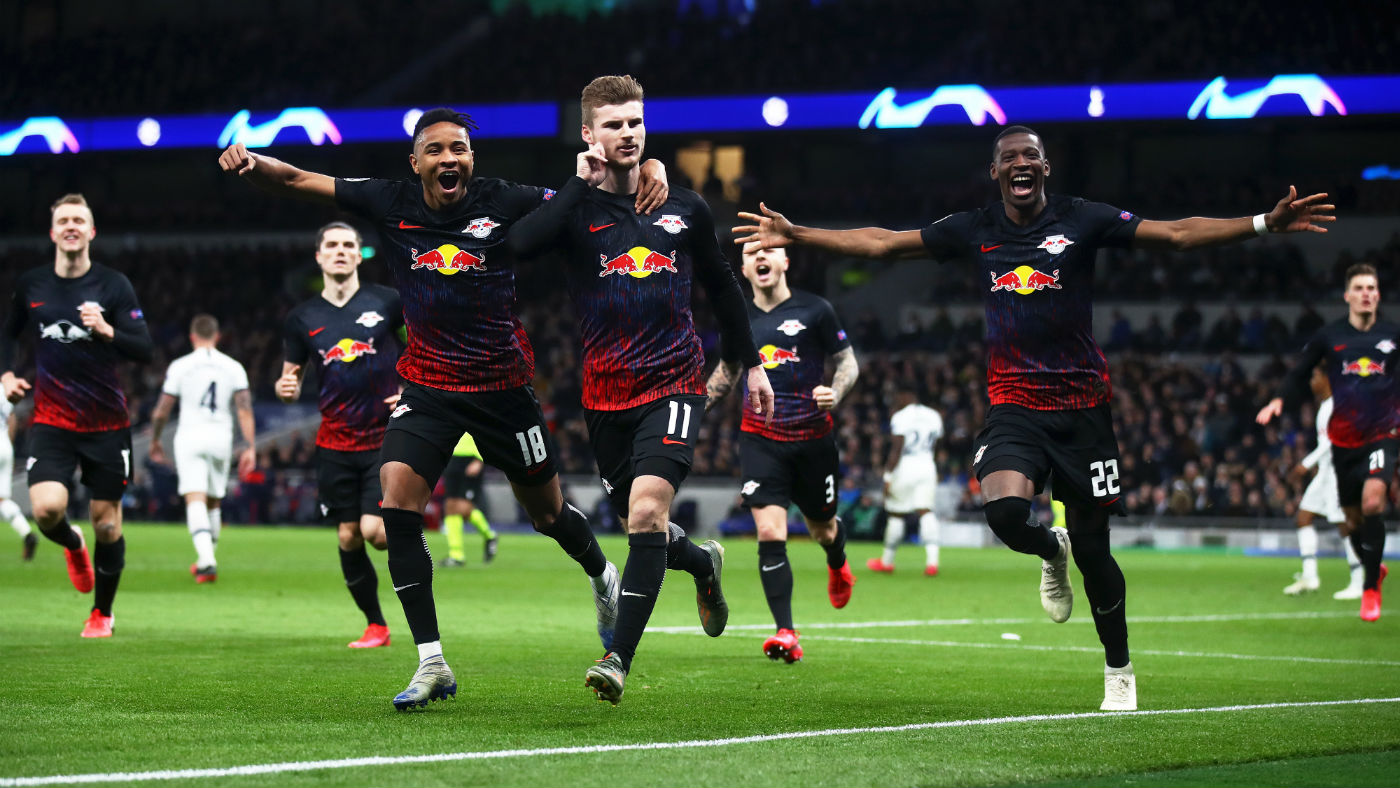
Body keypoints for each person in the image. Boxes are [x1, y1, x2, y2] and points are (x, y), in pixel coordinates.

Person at [734, 125, 1334, 710]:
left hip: (1084, 413)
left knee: (1098, 555)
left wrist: (1263, 222)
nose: (1021, 163)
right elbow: (886, 243)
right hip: (1015, 406)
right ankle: (1051, 550)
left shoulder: (1082, 218)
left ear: (1045, 168)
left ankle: (1118, 667)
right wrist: (800, 234)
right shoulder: (976, 228)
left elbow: (1176, 234)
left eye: (1031, 155)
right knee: (1003, 512)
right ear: (995, 173)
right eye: (1009, 157)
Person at [220, 108, 669, 711]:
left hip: (502, 386)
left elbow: (594, 202)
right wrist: (251, 165)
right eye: (435, 150)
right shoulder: (391, 201)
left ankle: (601, 575)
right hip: (427, 383)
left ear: (472, 159)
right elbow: (301, 179)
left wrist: (650, 166)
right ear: (416, 162)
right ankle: (431, 660)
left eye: (458, 148)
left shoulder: (504, 199)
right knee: (396, 500)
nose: (448, 159)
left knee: (548, 513)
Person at [507, 75, 773, 705]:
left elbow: (723, 287)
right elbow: (519, 244)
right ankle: (703, 564)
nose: (627, 134)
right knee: (644, 526)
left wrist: (751, 363)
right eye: (614, 124)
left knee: (648, 513)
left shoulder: (685, 208)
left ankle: (617, 660)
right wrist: (579, 182)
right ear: (589, 134)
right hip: (603, 398)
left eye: (636, 123)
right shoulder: (575, 211)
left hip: (676, 383)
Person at [1, 193, 153, 638]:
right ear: (53, 232)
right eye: (63, 219)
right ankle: (72, 543)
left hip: (107, 424)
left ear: (91, 232)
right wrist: (7, 373)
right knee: (47, 510)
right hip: (52, 421)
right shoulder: (32, 285)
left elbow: (143, 349)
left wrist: (107, 330)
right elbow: (7, 335)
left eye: (79, 220)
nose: (71, 225)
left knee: (107, 522)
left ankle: (101, 613)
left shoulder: (113, 286)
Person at [706, 243, 858, 664]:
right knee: (771, 533)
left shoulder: (816, 310)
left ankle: (837, 559)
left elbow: (848, 363)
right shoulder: (737, 316)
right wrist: (692, 405)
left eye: (769, 250)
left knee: (822, 531)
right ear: (743, 268)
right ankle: (786, 632)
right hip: (760, 439)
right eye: (752, 253)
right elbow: (729, 371)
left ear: (784, 261)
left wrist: (836, 390)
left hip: (813, 440)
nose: (761, 257)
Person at [275, 222, 402, 649]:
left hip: (385, 437)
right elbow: (289, 378)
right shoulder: (302, 318)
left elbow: (422, 349)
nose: (341, 251)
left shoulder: (387, 302)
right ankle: (376, 626)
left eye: (349, 245)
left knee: (377, 532)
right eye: (332, 245)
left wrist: (409, 390)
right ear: (319, 256)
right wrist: (285, 389)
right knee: (348, 535)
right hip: (334, 443)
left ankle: (407, 526)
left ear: (359, 254)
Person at [1258, 263, 1394, 621]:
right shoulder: (1329, 337)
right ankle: (1370, 566)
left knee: (1373, 501)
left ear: (1378, 294)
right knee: (1350, 522)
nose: (1366, 293)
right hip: (1344, 444)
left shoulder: (1393, 336)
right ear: (1347, 295)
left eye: (1372, 287)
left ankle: (1367, 586)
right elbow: (1299, 372)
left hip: (1383, 434)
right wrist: (1278, 400)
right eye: (1359, 287)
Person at [148, 314, 256, 583]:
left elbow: (162, 411)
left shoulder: (181, 366)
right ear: (217, 337)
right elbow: (244, 410)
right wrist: (250, 446)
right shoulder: (233, 367)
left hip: (190, 436)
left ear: (192, 337)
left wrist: (155, 439)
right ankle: (206, 560)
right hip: (221, 437)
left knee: (194, 497)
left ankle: (207, 560)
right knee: (213, 500)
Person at [1280, 366, 1364, 599]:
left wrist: (1305, 463)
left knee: (1345, 526)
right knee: (1304, 517)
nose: (1311, 382)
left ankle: (1358, 582)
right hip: (1326, 472)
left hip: (1339, 473)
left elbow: (1332, 441)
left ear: (1327, 378)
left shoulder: (1338, 405)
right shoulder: (1326, 406)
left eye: (1315, 376)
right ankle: (1310, 577)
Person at [868, 383, 943, 577]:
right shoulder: (934, 416)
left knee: (896, 513)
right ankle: (932, 563)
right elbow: (937, 446)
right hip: (927, 464)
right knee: (926, 510)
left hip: (906, 466)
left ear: (905, 395)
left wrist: (888, 476)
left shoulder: (901, 417)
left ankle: (887, 562)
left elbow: (896, 449)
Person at [438, 430, 498, 567]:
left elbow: (487, 431)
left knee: (463, 507)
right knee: (450, 506)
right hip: (453, 457)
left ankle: (489, 535)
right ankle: (456, 555)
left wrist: (479, 459)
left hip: (471, 457)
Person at [1, 398, 37, 560]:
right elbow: (12, 419)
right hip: (5, 445)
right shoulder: (2, 390)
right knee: (2, 499)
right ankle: (27, 533)